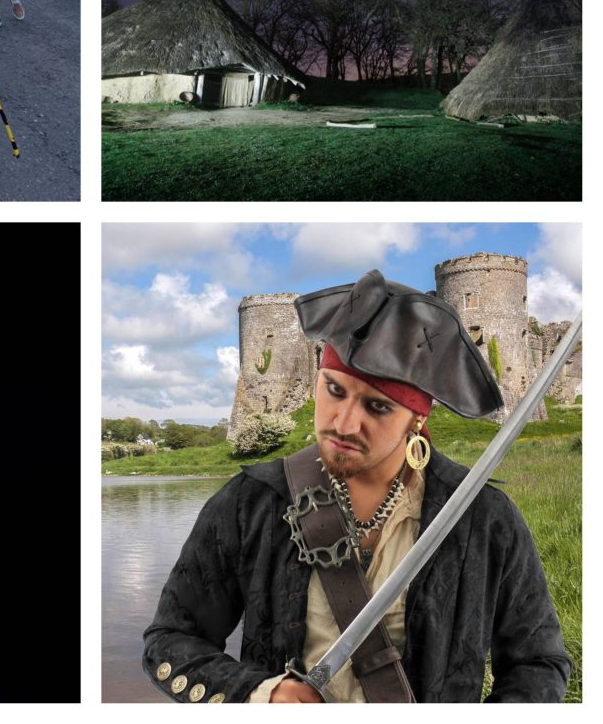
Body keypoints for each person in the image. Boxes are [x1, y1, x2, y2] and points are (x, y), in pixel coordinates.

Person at [143, 269, 570, 703]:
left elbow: (538, 664)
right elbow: (171, 640)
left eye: (378, 407)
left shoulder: (483, 517)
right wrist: (263, 693)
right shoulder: (250, 502)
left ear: (417, 418)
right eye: (334, 390)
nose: (344, 423)